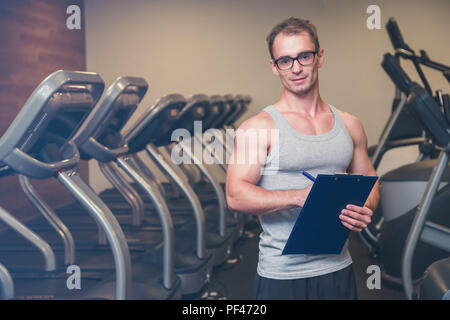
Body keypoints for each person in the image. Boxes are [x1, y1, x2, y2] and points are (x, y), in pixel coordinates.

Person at [225, 17, 380, 300]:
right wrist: (299, 196)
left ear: (320, 57)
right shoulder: (258, 128)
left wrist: (364, 206)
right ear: (274, 67)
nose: (295, 68)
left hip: (339, 267)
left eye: (303, 57)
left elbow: (369, 181)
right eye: (285, 60)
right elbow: (236, 196)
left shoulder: (350, 124)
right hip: (282, 275)